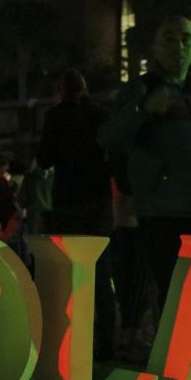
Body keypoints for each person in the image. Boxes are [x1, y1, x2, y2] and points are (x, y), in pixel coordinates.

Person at [98, 16, 191, 317]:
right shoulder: (141, 90)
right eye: (169, 38)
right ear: (155, 49)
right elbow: (109, 137)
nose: (179, 46)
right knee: (176, 299)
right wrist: (142, 109)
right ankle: (177, 362)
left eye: (186, 39)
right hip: (164, 213)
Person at [37, 68, 116, 359]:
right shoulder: (101, 115)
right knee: (101, 271)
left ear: (61, 90)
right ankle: (106, 343)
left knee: (70, 271)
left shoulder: (56, 117)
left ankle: (71, 341)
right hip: (98, 200)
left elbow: (44, 158)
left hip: (69, 199)